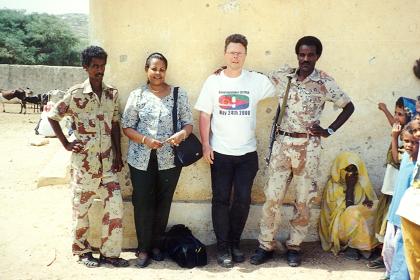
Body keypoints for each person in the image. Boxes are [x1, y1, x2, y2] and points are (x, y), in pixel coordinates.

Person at [250, 36, 354, 267]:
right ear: (297, 55)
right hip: (282, 145)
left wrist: (328, 130)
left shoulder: (325, 82)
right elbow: (256, 76)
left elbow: (349, 106)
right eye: (302, 54)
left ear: (317, 56)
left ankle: (294, 246)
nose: (305, 59)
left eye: (310, 55)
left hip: (309, 148)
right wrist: (228, 70)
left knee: (303, 200)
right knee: (272, 198)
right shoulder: (284, 76)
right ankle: (265, 244)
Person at [195, 34, 276, 268]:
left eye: (240, 52)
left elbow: (283, 82)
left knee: (242, 200)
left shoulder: (255, 81)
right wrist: (205, 144)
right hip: (219, 152)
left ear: (245, 55)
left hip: (247, 154)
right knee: (220, 200)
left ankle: (234, 243)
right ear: (225, 54)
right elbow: (204, 114)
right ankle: (222, 247)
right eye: (232, 52)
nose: (235, 56)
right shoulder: (213, 82)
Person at [48, 46, 128, 267]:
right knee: (81, 208)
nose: (99, 70)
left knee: (115, 206)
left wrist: (118, 155)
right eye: (95, 66)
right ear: (85, 67)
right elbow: (53, 116)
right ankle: (82, 251)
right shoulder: (75, 94)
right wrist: (65, 143)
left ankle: (110, 253)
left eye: (102, 65)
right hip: (84, 165)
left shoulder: (112, 93)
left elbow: (114, 126)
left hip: (108, 164)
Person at [121, 52, 193, 268]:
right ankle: (143, 248)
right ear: (146, 70)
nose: (158, 73)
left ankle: (156, 245)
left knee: (163, 203)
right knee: (143, 202)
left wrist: (181, 134)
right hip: (141, 159)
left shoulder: (178, 94)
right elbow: (126, 127)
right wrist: (145, 140)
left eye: (162, 69)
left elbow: (188, 123)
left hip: (169, 159)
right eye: (154, 68)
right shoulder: (137, 95)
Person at [368, 97, 416, 269]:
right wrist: (386, 110)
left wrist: (394, 138)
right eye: (396, 113)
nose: (397, 117)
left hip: (398, 185)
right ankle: (384, 252)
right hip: (390, 184)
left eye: (401, 114)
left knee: (391, 219)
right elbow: (393, 123)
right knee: (385, 218)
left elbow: (397, 159)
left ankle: (387, 256)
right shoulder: (401, 130)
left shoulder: (409, 139)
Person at [319, 152, 378, 260]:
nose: (352, 173)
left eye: (355, 170)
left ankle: (365, 245)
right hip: (339, 228)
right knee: (353, 213)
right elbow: (345, 212)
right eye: (348, 169)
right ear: (339, 169)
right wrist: (350, 187)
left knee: (378, 206)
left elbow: (366, 203)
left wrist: (366, 204)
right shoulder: (333, 186)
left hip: (359, 223)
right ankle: (352, 246)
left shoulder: (360, 184)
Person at [382, 123, 418, 280]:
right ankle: (390, 275)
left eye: (414, 142)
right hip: (395, 212)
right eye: (407, 141)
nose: (409, 145)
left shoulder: (417, 165)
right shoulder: (405, 158)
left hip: (408, 215)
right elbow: (396, 157)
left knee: (403, 254)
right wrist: (395, 137)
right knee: (388, 250)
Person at [397, 119, 420, 280]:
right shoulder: (411, 154)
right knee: (414, 259)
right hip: (412, 209)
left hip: (412, 208)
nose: (417, 134)